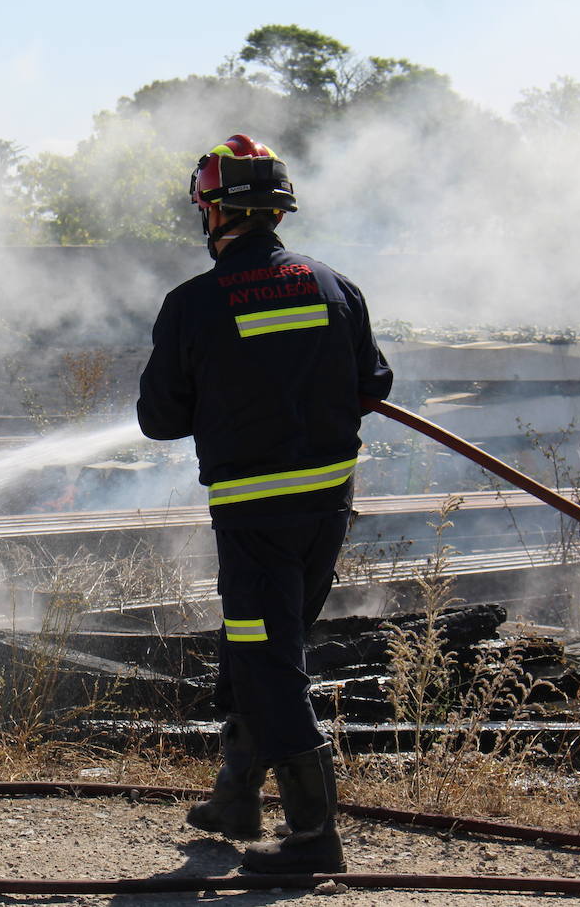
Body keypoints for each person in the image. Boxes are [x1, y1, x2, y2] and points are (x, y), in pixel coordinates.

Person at [136, 134, 393, 874]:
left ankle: (315, 840)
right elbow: (374, 384)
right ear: (278, 209)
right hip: (325, 512)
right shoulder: (334, 284)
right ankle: (236, 797)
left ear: (212, 212)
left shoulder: (193, 304)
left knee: (267, 659)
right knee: (264, 648)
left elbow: (159, 419)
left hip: (255, 520)